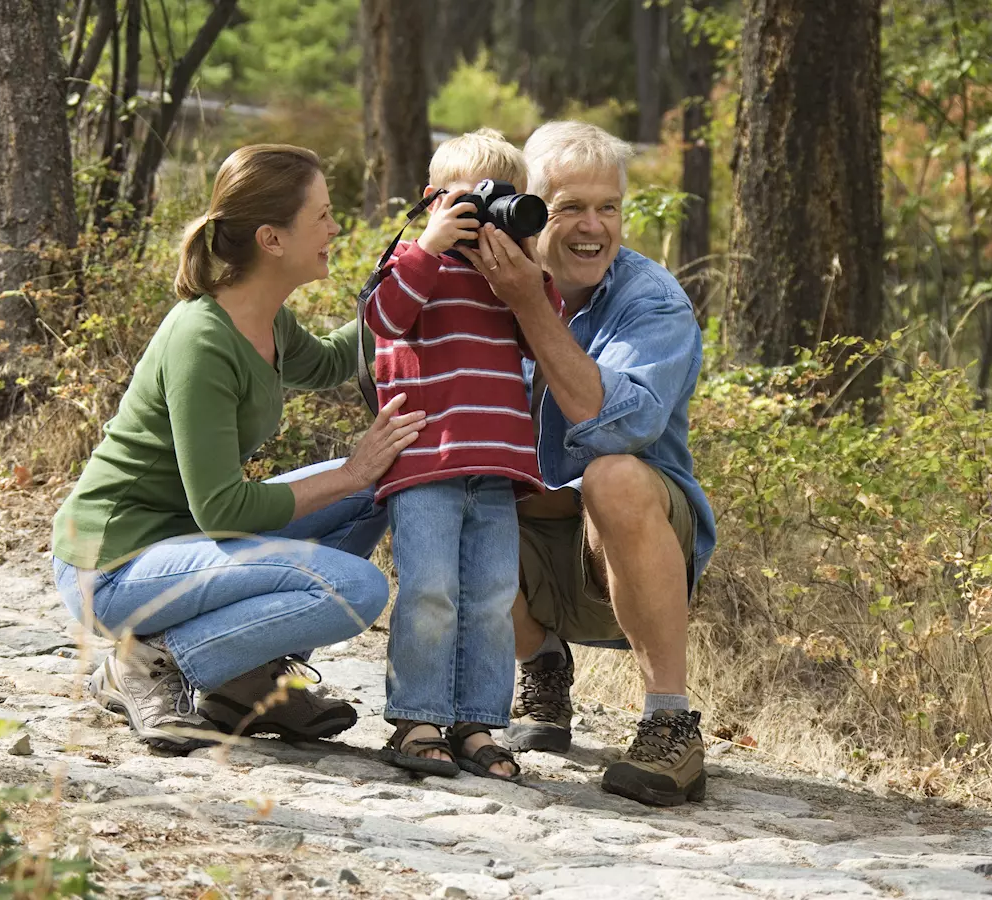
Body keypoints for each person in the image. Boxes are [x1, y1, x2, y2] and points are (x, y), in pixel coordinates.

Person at [50, 144, 427, 754]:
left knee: (377, 488)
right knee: (354, 588)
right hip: (113, 564)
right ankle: (146, 662)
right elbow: (222, 511)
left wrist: (420, 268)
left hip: (180, 551)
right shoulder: (202, 340)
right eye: (323, 216)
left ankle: (244, 679)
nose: (335, 229)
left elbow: (333, 360)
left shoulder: (267, 321)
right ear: (271, 239)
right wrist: (352, 470)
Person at [456, 121, 717, 807]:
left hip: (626, 554)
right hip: (533, 549)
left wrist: (528, 309)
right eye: (570, 207)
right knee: (442, 480)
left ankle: (670, 724)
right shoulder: (482, 284)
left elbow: (620, 426)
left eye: (609, 208)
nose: (592, 227)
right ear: (528, 208)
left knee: (615, 473)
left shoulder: (649, 299)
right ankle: (541, 666)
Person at [365, 129, 561, 781]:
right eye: (472, 200)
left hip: (497, 468)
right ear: (432, 202)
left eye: (504, 199)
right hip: (427, 466)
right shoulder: (413, 261)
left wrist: (526, 270)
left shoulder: (507, 277)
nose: (486, 213)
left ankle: (477, 721)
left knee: (491, 596)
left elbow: (543, 336)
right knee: (429, 592)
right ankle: (417, 718)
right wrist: (429, 246)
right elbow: (383, 318)